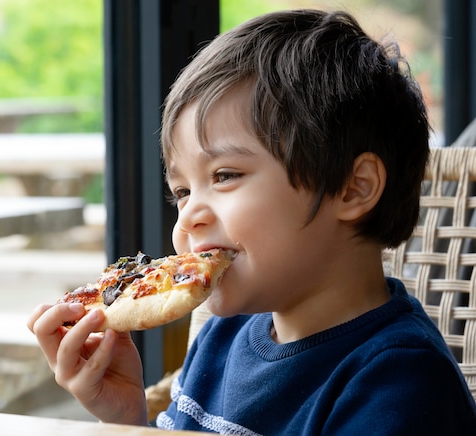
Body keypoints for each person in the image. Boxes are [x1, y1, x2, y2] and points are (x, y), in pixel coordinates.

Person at [28, 9, 476, 434]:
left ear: (353, 188)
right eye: (183, 192)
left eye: (224, 176)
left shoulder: (399, 383)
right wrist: (126, 419)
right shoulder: (223, 337)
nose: (189, 217)